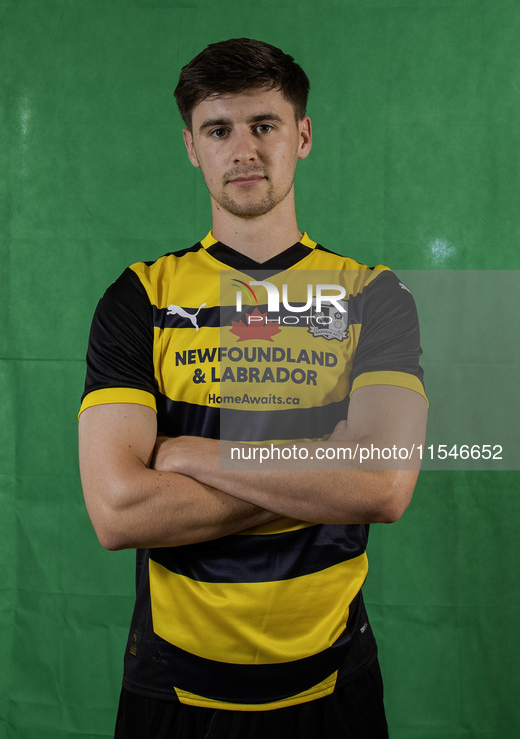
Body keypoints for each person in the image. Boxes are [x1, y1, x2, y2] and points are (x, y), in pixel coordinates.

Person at [78, 38, 427, 738]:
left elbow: (382, 485)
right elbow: (118, 512)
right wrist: (321, 470)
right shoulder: (141, 295)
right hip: (173, 689)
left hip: (332, 681)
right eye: (218, 129)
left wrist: (189, 456)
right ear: (190, 147)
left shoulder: (373, 295)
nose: (242, 148)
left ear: (300, 135)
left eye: (263, 125)